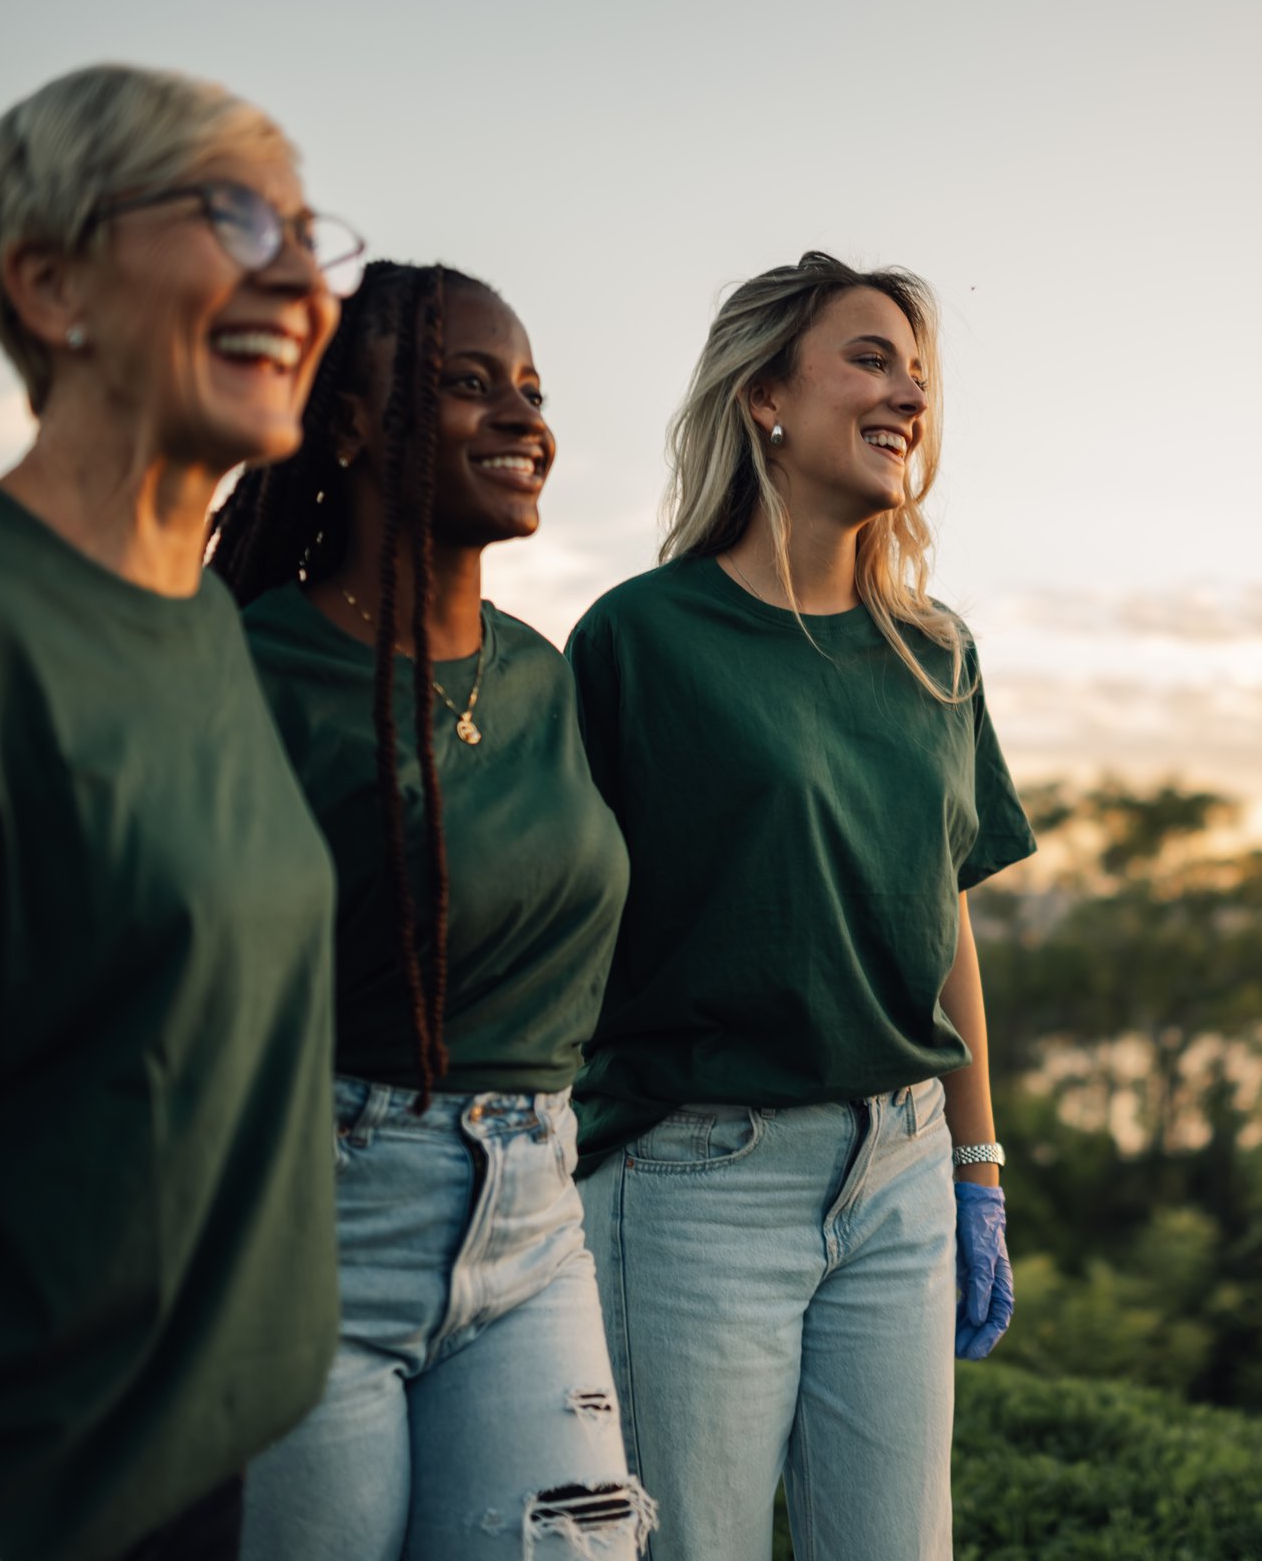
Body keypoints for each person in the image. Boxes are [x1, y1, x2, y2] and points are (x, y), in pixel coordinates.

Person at [0, 65, 358, 1561]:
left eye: (308, 233)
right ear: (50, 283)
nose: (299, 278)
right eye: (235, 216)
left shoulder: (210, 633)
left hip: (184, 1481)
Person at [566, 252, 1031, 1561]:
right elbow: (554, 920)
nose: (907, 396)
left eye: (921, 374)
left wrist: (975, 1162)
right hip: (694, 1181)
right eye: (871, 358)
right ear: (764, 395)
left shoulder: (933, 650)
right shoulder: (641, 641)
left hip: (899, 1178)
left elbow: (938, 912)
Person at [206, 261, 653, 1560]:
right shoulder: (253, 671)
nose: (524, 420)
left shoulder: (543, 679)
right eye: (469, 387)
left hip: (534, 1221)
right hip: (314, 1222)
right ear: (348, 426)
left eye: (531, 391)